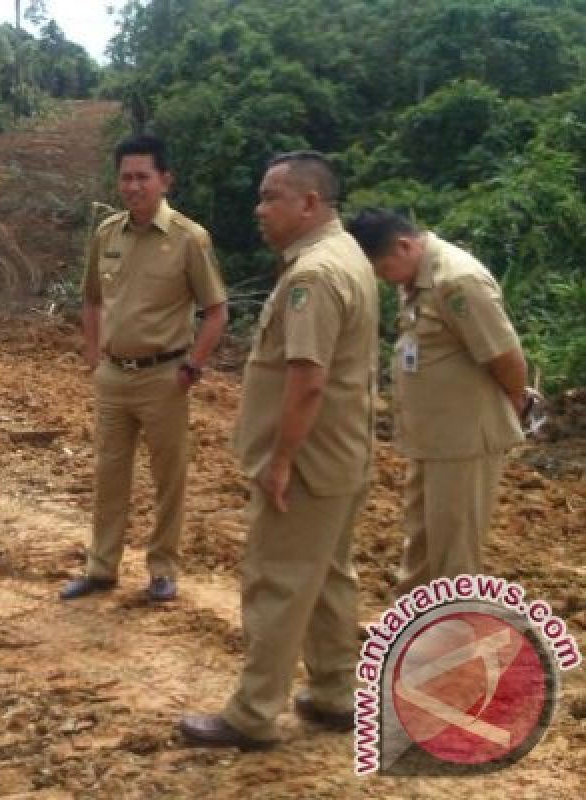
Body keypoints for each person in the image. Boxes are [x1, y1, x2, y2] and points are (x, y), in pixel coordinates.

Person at [177, 152, 378, 749]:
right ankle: (337, 689)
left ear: (309, 203)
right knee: (330, 576)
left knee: (278, 581)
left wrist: (282, 459)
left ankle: (251, 713)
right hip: (343, 453)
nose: (259, 209)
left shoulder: (313, 275)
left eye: (271, 197)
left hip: (310, 461)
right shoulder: (348, 257)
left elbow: (307, 379)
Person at [61, 133, 228, 604]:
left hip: (165, 376)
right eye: (125, 177)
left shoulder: (189, 239)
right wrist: (94, 355)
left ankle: (162, 569)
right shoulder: (106, 234)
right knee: (109, 473)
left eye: (142, 177)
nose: (133, 186)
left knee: (168, 478)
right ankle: (101, 567)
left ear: (164, 180)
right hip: (115, 375)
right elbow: (92, 299)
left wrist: (193, 364)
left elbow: (216, 310)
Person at [347, 209, 529, 595]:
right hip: (431, 439)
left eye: (382, 268)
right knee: (422, 542)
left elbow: (505, 357)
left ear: (404, 245)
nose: (382, 278)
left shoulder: (458, 281)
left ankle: (450, 643)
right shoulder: (416, 278)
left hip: (463, 441)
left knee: (454, 550)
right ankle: (410, 628)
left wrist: (514, 405)